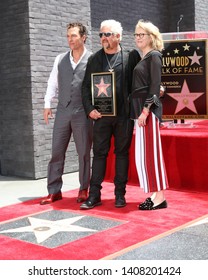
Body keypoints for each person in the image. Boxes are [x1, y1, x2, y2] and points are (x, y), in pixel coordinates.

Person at [80, 19, 140, 209]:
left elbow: (140, 81)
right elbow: (85, 88)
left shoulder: (130, 57)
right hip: (101, 117)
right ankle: (94, 195)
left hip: (124, 116)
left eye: (107, 34)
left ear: (118, 36)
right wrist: (90, 110)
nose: (103, 38)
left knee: (122, 154)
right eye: (101, 34)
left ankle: (119, 195)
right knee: (99, 154)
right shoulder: (94, 59)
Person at [40, 22, 93, 205]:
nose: (70, 39)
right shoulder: (60, 59)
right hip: (63, 110)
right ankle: (54, 191)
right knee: (56, 151)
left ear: (83, 37)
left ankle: (84, 189)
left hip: (83, 112)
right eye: (68, 36)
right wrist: (47, 104)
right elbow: (52, 83)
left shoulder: (92, 59)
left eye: (74, 36)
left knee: (84, 153)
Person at [130, 19, 169, 210]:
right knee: (145, 156)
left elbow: (155, 86)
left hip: (149, 112)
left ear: (151, 37)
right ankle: (156, 194)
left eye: (141, 34)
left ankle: (160, 197)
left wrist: (145, 110)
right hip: (140, 112)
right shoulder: (143, 57)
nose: (137, 38)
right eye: (136, 34)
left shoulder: (154, 56)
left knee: (152, 156)